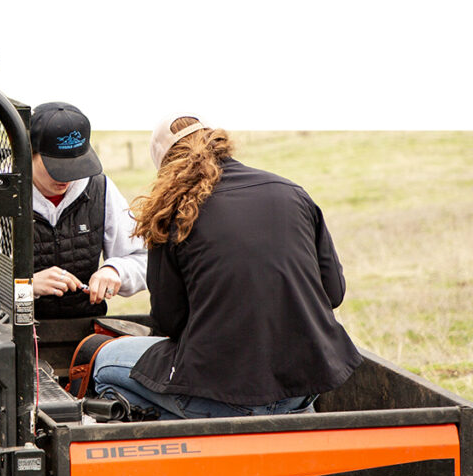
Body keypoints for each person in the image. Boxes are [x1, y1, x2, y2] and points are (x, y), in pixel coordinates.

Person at [92, 114, 362, 419]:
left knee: (104, 362)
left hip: (221, 392)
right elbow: (334, 294)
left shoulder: (172, 212)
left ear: (165, 167)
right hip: (302, 389)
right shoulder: (292, 192)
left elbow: (169, 322)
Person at [26, 102, 147, 319]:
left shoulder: (101, 188)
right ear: (29, 153)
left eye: (75, 165)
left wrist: (115, 270)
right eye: (57, 167)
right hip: (13, 334)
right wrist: (28, 287)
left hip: (84, 327)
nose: (67, 177)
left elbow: (142, 259)